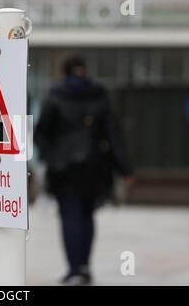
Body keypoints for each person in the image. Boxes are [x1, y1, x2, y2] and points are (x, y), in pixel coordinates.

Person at [34, 55, 134, 285]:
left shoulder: (54, 96)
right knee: (87, 216)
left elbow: (41, 134)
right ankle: (84, 265)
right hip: (94, 167)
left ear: (64, 71)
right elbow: (114, 135)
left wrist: (52, 156)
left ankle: (74, 268)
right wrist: (126, 169)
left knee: (70, 217)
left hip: (63, 170)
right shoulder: (99, 95)